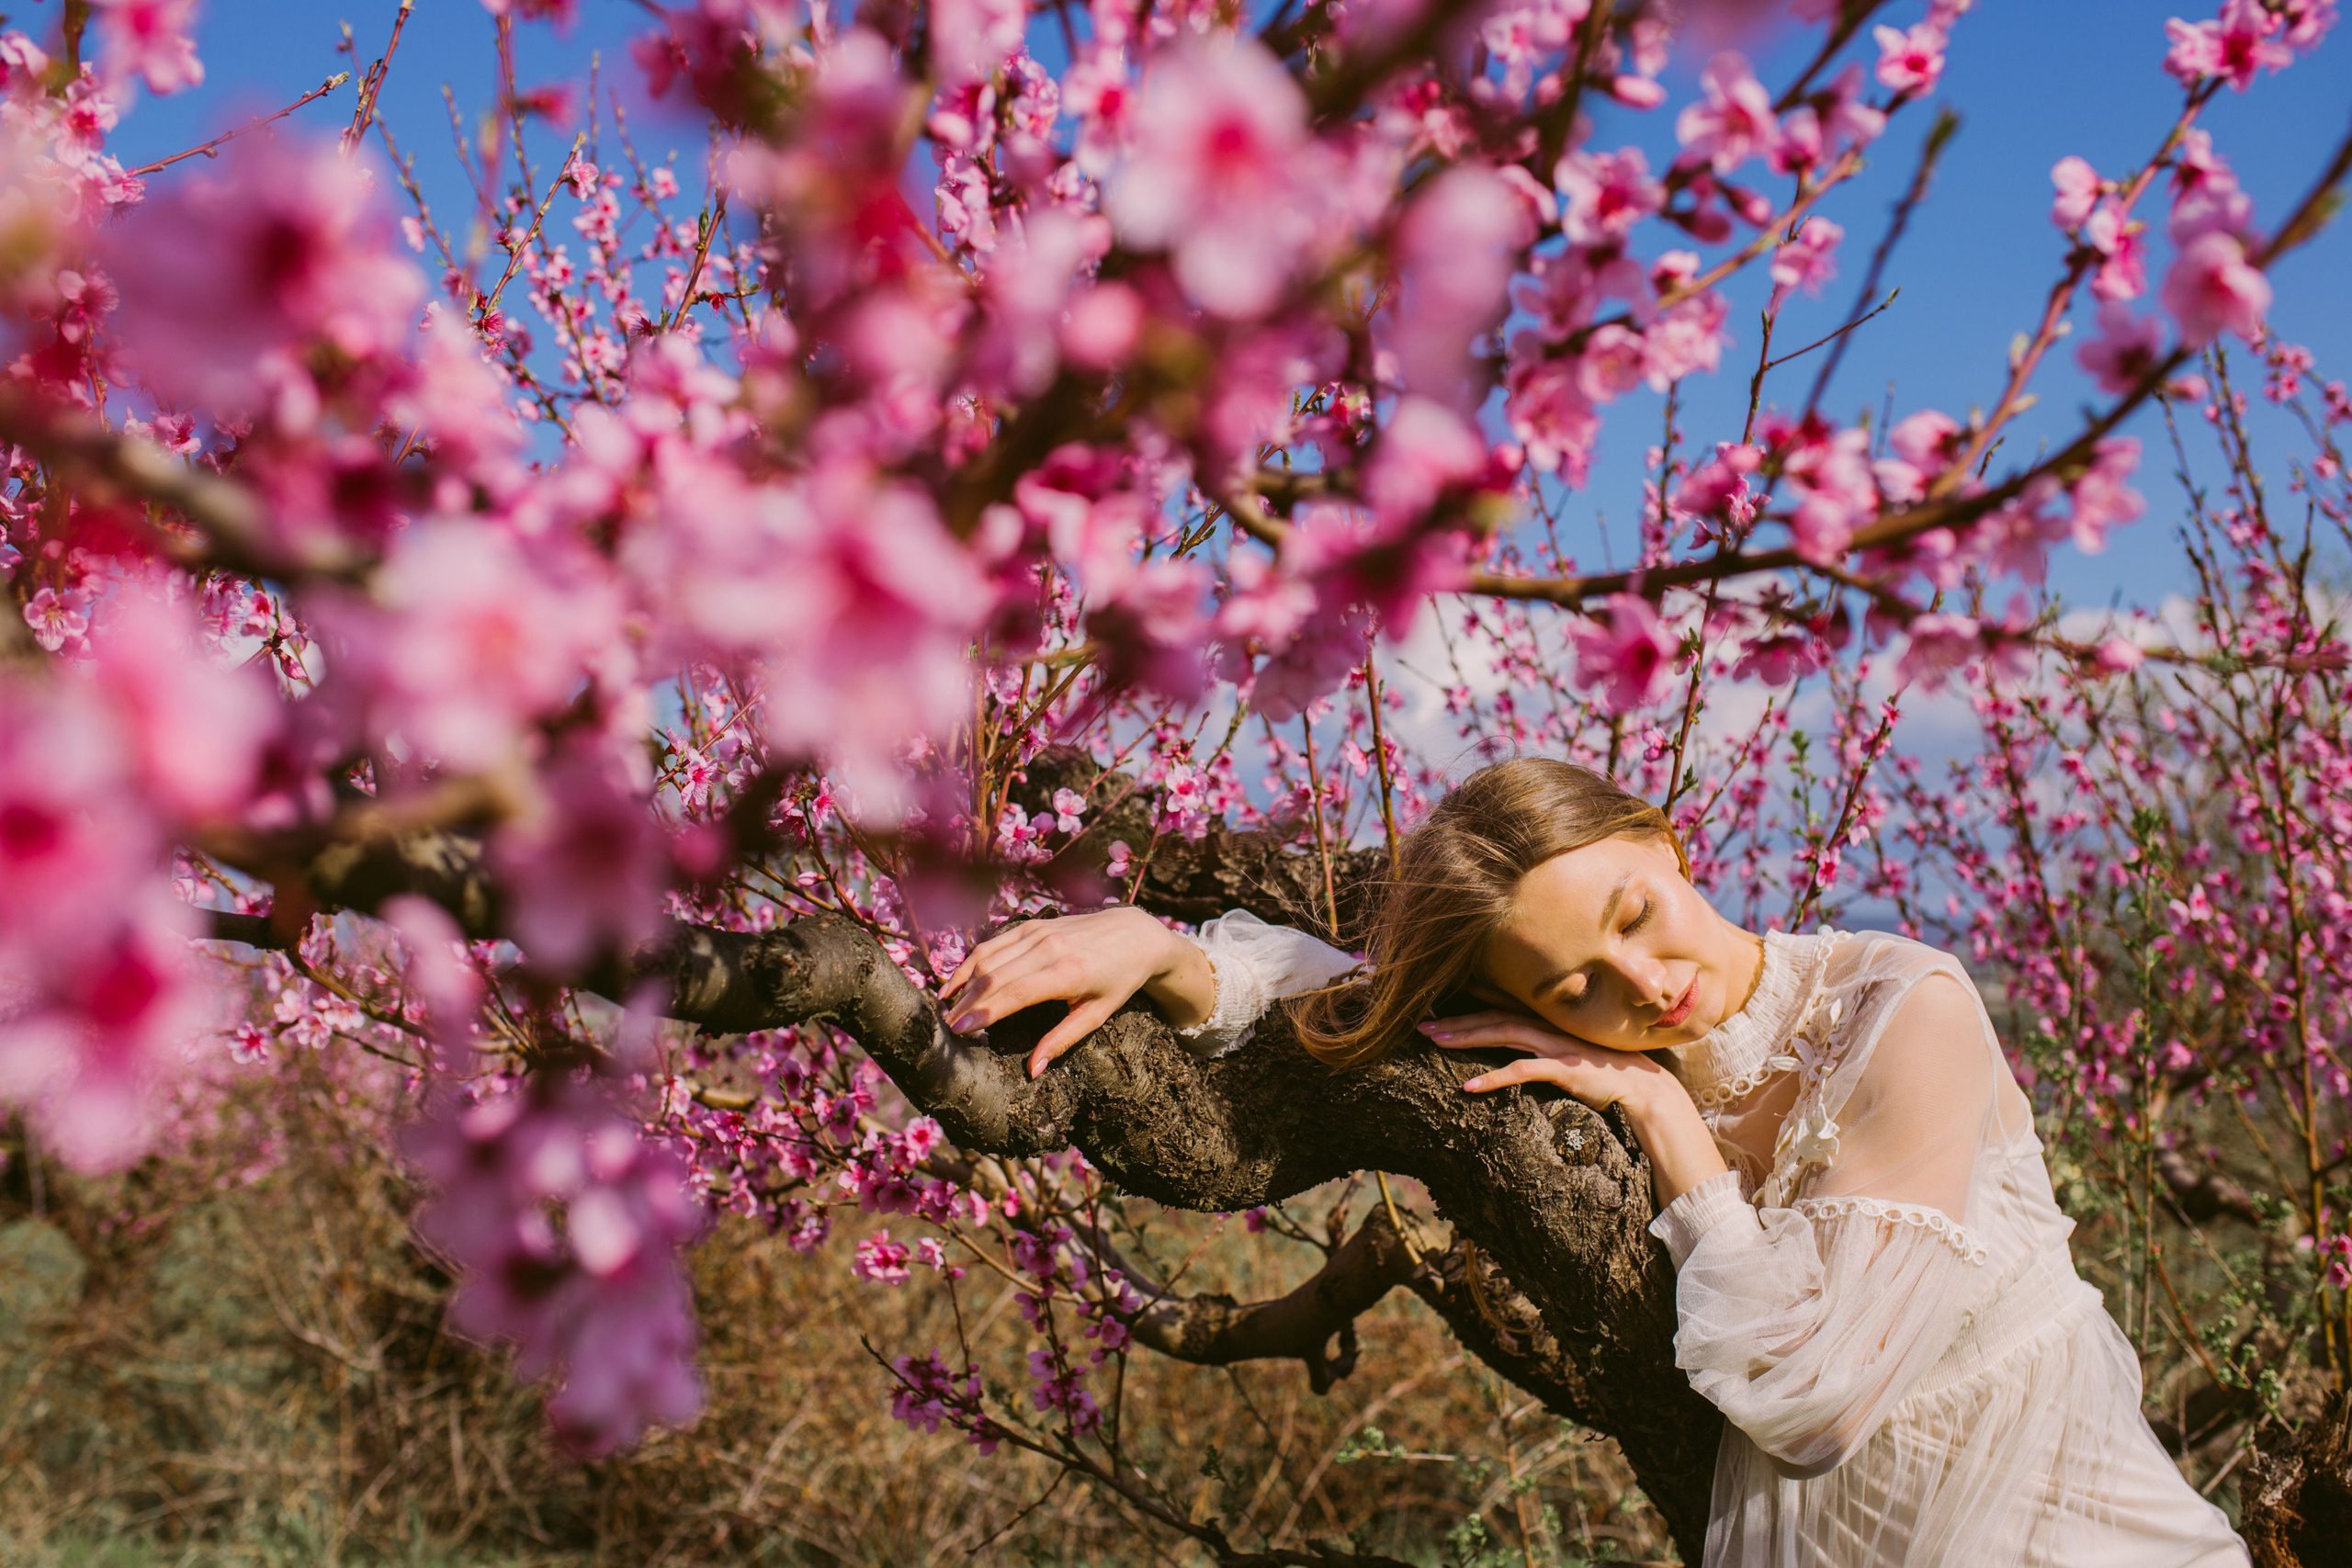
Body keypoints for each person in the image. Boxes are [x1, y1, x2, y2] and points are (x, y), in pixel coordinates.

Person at [942, 757, 2251, 1567]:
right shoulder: (1602, 1030)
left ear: (1666, 841)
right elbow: (1349, 995)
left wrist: (1671, 1129)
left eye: (1637, 913)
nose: (1644, 982)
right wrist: (1162, 949)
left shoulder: (1905, 1011)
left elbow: (1817, 1400)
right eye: (1575, 985)